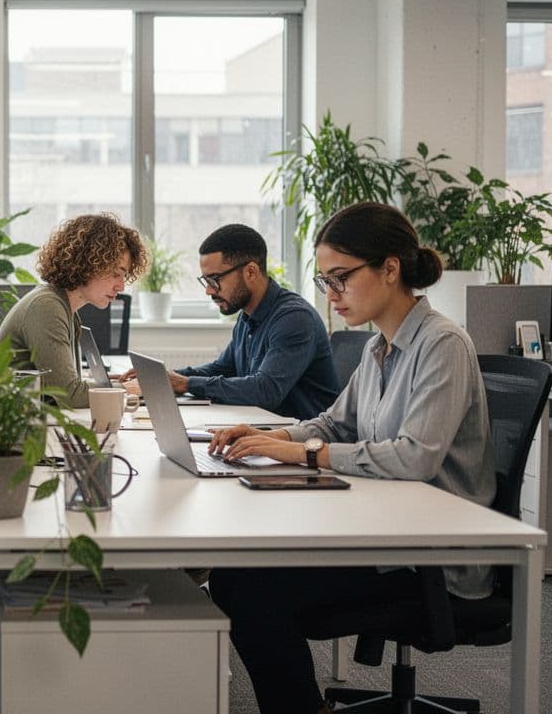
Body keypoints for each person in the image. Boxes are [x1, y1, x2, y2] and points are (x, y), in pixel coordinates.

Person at [205, 202, 495, 714]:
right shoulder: (378, 348)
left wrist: (300, 452)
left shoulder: (443, 344)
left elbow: (414, 458)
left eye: (341, 278)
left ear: (390, 268)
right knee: (233, 576)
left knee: (251, 592)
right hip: (386, 531)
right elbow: (335, 423)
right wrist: (266, 433)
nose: (332, 294)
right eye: (325, 281)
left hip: (431, 558)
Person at [123, 224, 338, 420]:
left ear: (251, 272)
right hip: (261, 431)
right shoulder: (247, 316)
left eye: (214, 279)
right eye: (205, 281)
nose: (208, 290)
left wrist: (184, 383)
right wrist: (163, 377)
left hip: (301, 445)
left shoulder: (294, 318)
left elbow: (265, 391)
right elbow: (222, 368)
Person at [0, 213, 148, 408]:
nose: (121, 286)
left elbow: (67, 387)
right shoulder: (46, 307)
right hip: (9, 431)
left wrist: (108, 384)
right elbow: (71, 395)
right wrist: (128, 389)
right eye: (116, 274)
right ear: (88, 264)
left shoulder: (64, 308)